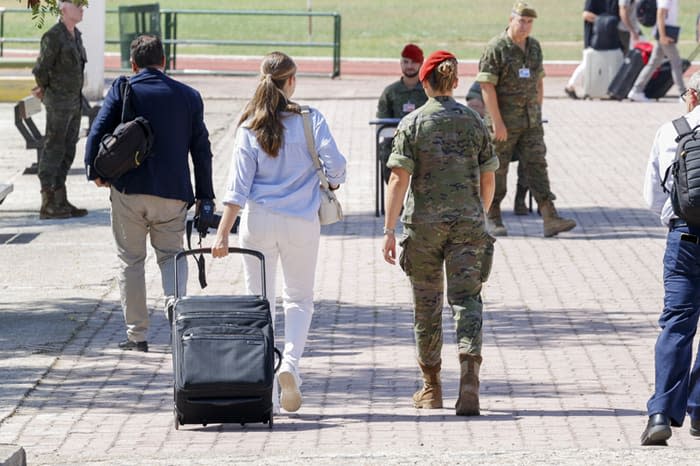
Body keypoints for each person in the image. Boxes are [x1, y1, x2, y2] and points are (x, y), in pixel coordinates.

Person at [212, 52, 346, 414]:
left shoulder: (248, 127)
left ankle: (264, 384)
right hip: (301, 221)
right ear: (290, 83)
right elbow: (337, 166)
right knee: (299, 299)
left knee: (259, 303)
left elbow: (236, 189)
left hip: (258, 221)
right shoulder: (309, 119)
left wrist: (223, 233)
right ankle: (290, 364)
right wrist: (332, 180)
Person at [382, 50, 498, 416]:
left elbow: (398, 180)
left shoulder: (414, 123)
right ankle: (469, 378)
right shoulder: (474, 121)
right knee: (467, 299)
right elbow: (489, 176)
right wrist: (479, 213)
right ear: (455, 82)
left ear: (426, 81)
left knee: (427, 304)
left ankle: (431, 387)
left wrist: (388, 228)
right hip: (467, 223)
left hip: (425, 227)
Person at [84, 35, 215, 352]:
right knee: (171, 259)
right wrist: (205, 196)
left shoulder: (124, 88)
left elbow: (97, 131)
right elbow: (202, 150)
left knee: (130, 262)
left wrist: (95, 172)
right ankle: (178, 331)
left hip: (129, 190)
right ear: (165, 62)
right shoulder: (189, 96)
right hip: (173, 194)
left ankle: (137, 336)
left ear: (133, 63)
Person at [477, 2, 577, 237]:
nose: (525, 26)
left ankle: (549, 216)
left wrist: (537, 112)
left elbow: (539, 81)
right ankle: (492, 215)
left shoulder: (533, 47)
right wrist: (497, 122)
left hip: (531, 122)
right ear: (511, 19)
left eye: (530, 22)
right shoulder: (497, 48)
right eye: (522, 21)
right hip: (504, 123)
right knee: (497, 169)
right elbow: (486, 86)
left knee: (537, 166)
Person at [640, 71, 700, 446]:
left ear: (692, 96)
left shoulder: (672, 131)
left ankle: (661, 412)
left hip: (683, 239)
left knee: (677, 324)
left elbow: (652, 197)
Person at [31, 0, 89, 219]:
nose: (82, 9)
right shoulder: (53, 36)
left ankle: (60, 199)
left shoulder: (76, 36)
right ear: (64, 9)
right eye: (77, 5)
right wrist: (47, 91)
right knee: (53, 149)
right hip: (58, 104)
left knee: (68, 150)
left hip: (74, 103)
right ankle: (47, 203)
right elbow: (41, 69)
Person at [467, 81, 529, 215]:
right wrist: (493, 116)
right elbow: (473, 105)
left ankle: (520, 200)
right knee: (494, 168)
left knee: (531, 159)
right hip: (495, 139)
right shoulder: (484, 82)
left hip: (518, 137)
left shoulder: (520, 79)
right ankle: (493, 207)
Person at [376, 44, 428, 182]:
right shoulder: (390, 92)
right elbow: (382, 124)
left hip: (423, 144)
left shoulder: (428, 91)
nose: (409, 66)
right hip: (395, 145)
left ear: (421, 63)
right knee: (386, 152)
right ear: (400, 63)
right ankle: (396, 201)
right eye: (405, 62)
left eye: (414, 62)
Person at [628, 0, 686, 102]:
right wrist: (663, 35)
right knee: (676, 63)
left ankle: (636, 90)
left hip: (662, 32)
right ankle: (682, 94)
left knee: (653, 63)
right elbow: (661, 13)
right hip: (664, 33)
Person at [564, 0, 621, 99]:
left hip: (610, 36)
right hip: (594, 36)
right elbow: (586, 14)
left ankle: (601, 89)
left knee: (596, 63)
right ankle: (571, 85)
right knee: (588, 63)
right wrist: (603, 22)